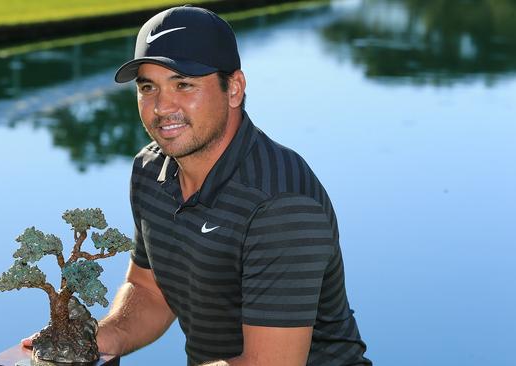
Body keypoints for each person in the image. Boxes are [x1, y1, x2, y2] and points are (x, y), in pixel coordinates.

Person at [25, 5, 371, 365]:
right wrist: (92, 341)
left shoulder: (280, 204)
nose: (162, 106)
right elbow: (150, 290)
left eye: (184, 84)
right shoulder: (149, 169)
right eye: (148, 87)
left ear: (234, 88)